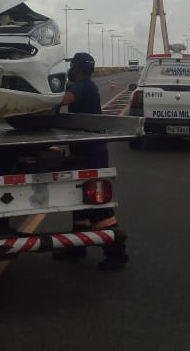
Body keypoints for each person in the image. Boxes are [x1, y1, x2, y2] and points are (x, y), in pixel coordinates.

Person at [53, 52, 129, 271]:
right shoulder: (88, 85)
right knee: (80, 205)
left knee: (99, 207)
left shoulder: (83, 87)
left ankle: (117, 252)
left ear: (76, 68)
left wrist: (49, 91)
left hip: (91, 154)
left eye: (72, 67)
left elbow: (63, 99)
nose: (71, 70)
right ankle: (78, 246)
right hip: (86, 151)